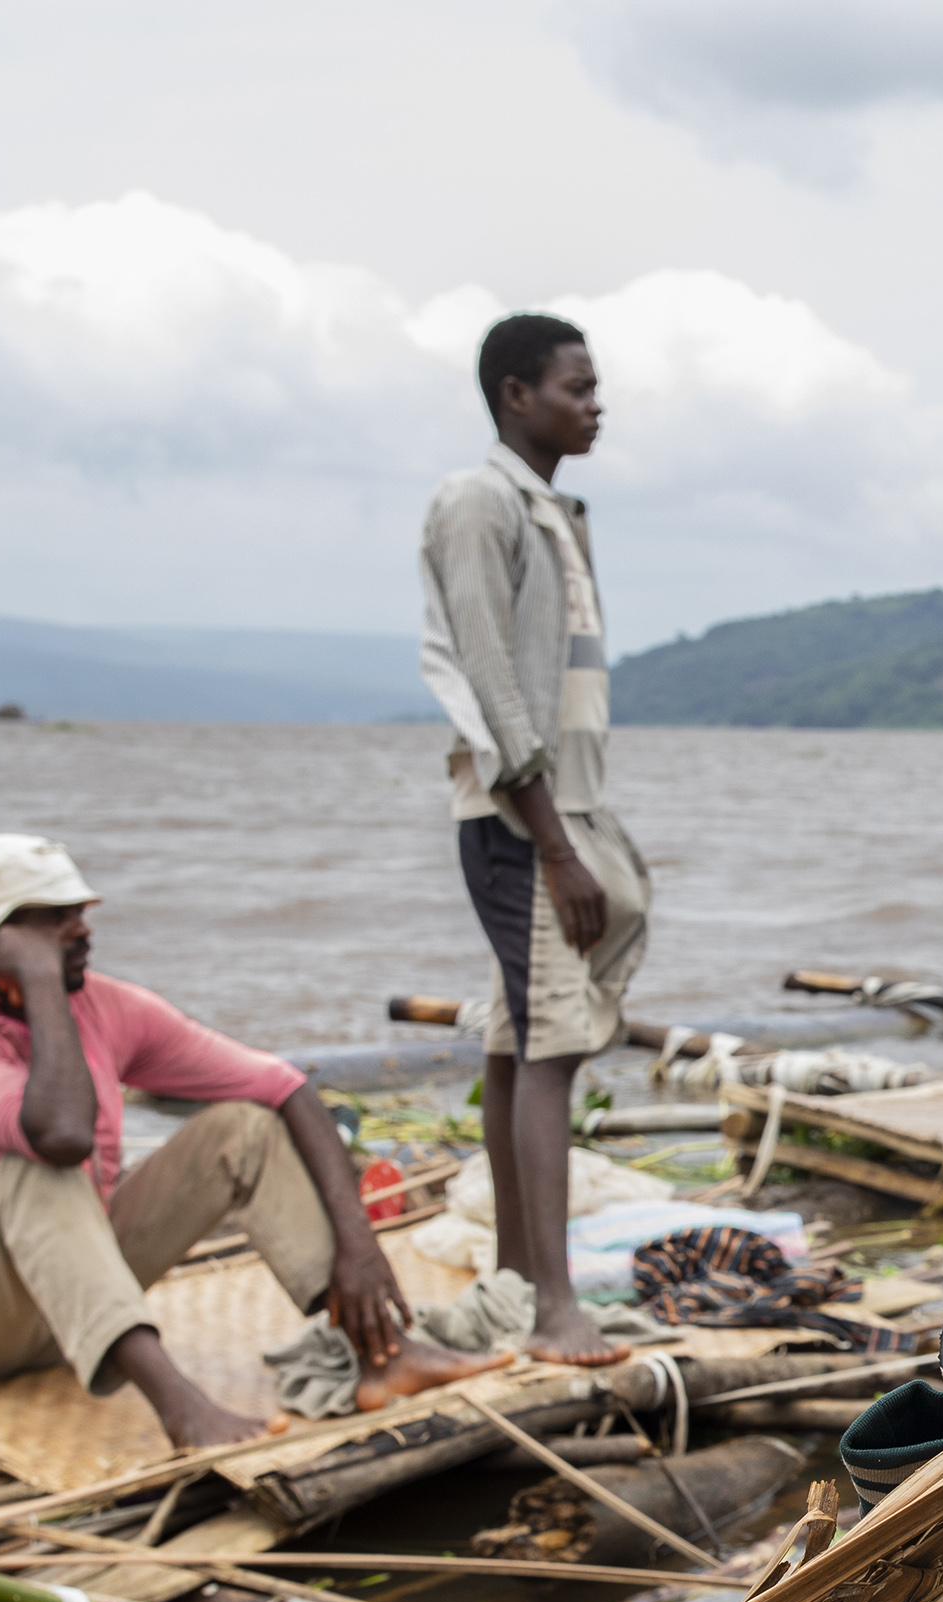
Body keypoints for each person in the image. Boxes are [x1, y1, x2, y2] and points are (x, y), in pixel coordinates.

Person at [0, 834, 493, 1450]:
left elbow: (285, 1087)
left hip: (61, 1311)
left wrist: (359, 1245)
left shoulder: (104, 1007)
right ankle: (183, 1410)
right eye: (54, 920)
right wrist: (41, 980)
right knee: (42, 1168)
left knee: (242, 1128)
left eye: (79, 913)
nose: (81, 931)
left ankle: (382, 1353)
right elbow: (60, 1135)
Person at [419, 309, 650, 1367]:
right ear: (518, 395)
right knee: (551, 1046)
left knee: (522, 1040)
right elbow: (488, 677)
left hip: (557, 811)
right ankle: (557, 1310)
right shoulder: (480, 501)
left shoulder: (552, 512)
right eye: (577, 387)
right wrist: (554, 845)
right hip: (523, 820)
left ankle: (520, 1281)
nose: (595, 406)